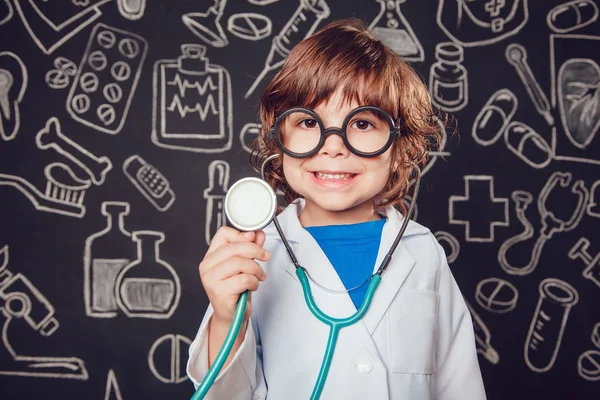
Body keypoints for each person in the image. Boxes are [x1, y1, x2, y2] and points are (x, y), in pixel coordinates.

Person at [187, 18, 487, 400]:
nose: (333, 146)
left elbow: (459, 385)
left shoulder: (423, 251)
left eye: (361, 123)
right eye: (310, 121)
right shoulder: (255, 257)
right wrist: (227, 318)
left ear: (400, 148)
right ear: (279, 140)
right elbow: (228, 395)